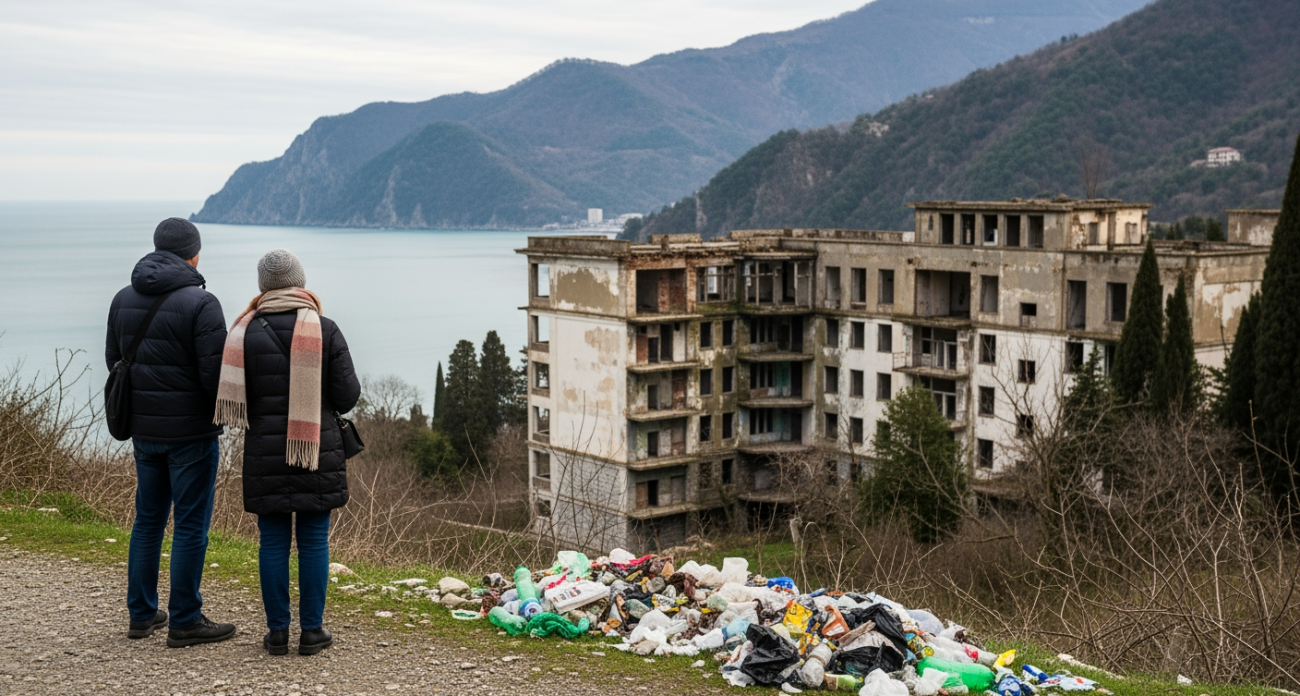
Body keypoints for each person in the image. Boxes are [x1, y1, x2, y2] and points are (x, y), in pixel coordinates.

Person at [214, 249, 360, 656]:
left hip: (265, 453)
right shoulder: (326, 329)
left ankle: (277, 633)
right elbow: (347, 397)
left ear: (264, 286)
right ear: (300, 282)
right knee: (313, 541)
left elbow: (234, 397)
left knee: (273, 543)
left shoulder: (241, 333)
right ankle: (312, 633)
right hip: (315, 450)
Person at [106, 217, 236, 646]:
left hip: (143, 430)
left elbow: (115, 361)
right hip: (191, 435)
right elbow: (213, 375)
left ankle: (141, 615)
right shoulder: (202, 303)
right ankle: (184, 620)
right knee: (190, 525)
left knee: (147, 521)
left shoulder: (123, 298)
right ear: (194, 254)